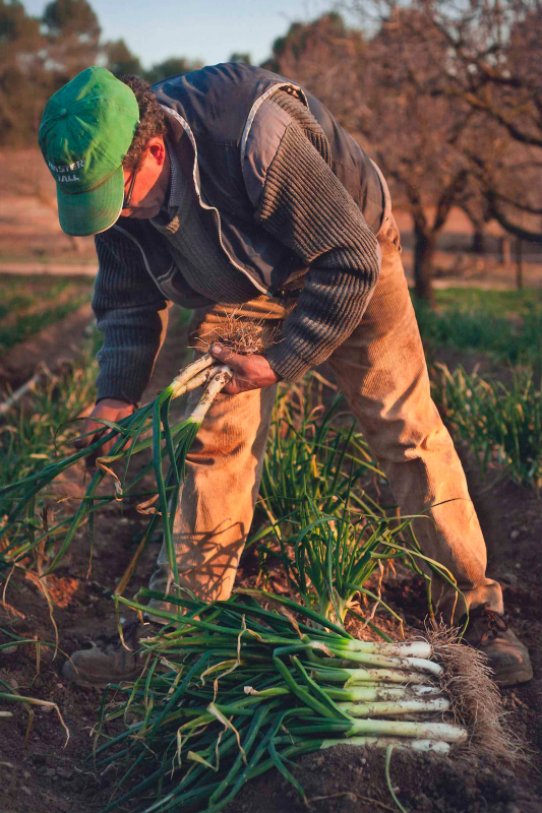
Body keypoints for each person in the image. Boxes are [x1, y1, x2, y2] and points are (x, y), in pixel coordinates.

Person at [38, 63, 532, 688]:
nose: (111, 216)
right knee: (213, 448)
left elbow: (349, 257)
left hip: (345, 252)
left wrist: (279, 362)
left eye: (116, 196)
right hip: (241, 283)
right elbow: (129, 302)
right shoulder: (113, 199)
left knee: (403, 425)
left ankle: (475, 612)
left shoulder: (254, 136)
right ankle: (179, 634)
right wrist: (112, 399)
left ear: (154, 150)